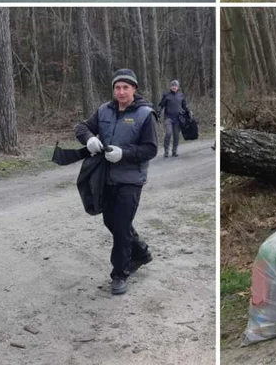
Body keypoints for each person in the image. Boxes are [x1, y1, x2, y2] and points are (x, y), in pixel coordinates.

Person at [74, 68, 158, 295]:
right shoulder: (104, 111)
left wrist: (124, 153)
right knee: (111, 222)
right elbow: (81, 127)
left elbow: (150, 149)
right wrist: (89, 138)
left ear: (134, 89)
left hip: (131, 180)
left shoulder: (144, 115)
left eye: (126, 87)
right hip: (106, 178)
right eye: (117, 87)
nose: (121, 92)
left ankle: (119, 274)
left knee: (121, 228)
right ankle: (141, 252)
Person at [158, 79, 190, 157]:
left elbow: (185, 106)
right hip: (168, 118)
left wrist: (189, 112)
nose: (174, 87)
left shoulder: (181, 95)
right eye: (172, 86)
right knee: (168, 133)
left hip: (178, 118)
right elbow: (161, 105)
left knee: (176, 135)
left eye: (175, 86)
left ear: (178, 87)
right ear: (170, 87)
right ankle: (166, 151)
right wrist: (158, 112)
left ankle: (174, 151)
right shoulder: (166, 95)